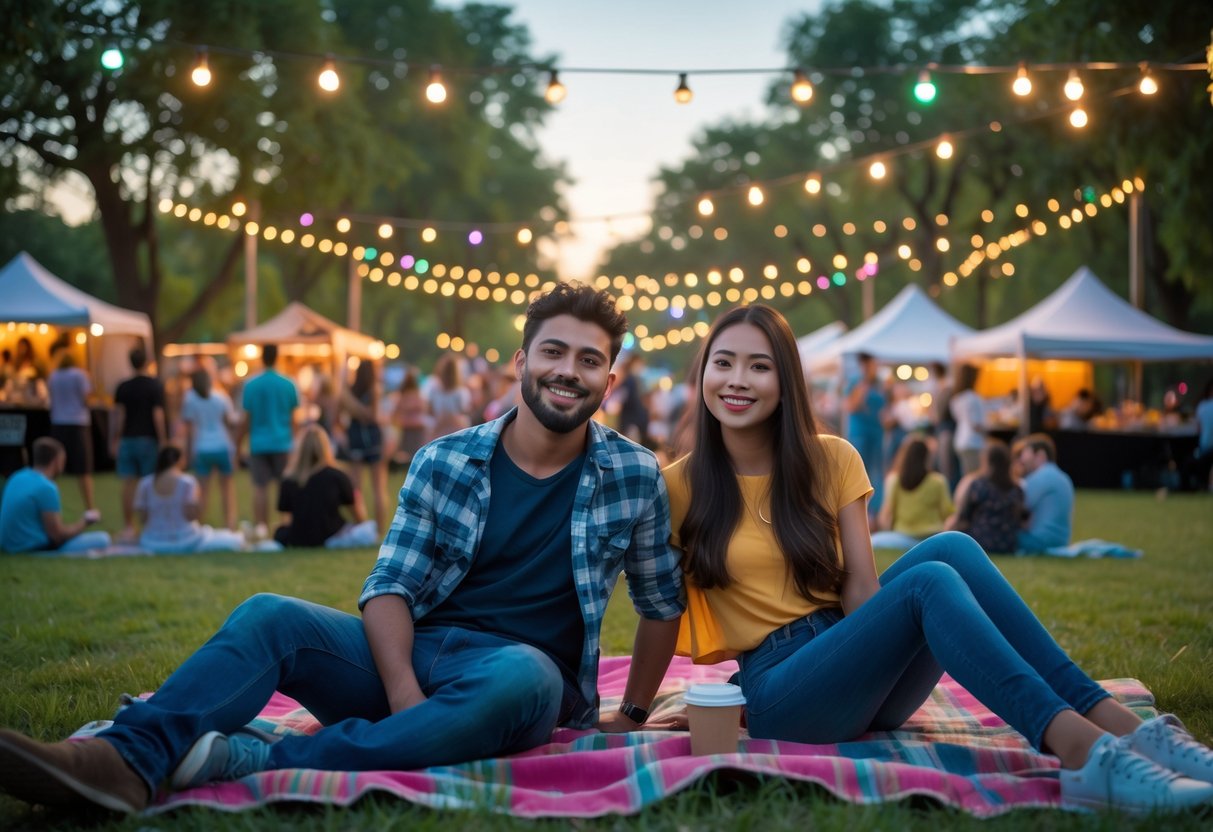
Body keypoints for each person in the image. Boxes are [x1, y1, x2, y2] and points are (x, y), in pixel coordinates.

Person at [0, 283, 684, 814]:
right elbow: (389, 587)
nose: (568, 372)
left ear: (609, 382)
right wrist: (405, 694)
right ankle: (123, 759)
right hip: (414, 656)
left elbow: (659, 601)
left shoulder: (632, 474)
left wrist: (628, 713)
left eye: (589, 360)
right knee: (270, 613)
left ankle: (252, 759)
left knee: (526, 674)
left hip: (519, 682)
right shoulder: (445, 460)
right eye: (554, 352)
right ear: (521, 362)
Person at [661, 303, 1213, 814]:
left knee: (952, 548)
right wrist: (634, 711)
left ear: (785, 382)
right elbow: (655, 608)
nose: (737, 379)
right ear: (702, 374)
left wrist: (871, 650)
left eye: (759, 366)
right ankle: (1083, 755)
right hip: (783, 694)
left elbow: (860, 590)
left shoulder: (830, 458)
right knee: (927, 581)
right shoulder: (677, 485)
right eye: (723, 363)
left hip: (849, 669)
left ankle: (1126, 730)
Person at [0, 437, 111, 553]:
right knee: (103, 538)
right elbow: (57, 537)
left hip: (8, 545)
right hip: (33, 548)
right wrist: (85, 521)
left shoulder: (17, 476)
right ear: (56, 461)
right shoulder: (46, 487)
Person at [273, 424, 373, 548]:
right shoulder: (337, 476)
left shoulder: (289, 479)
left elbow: (287, 519)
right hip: (331, 535)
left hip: (299, 538)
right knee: (369, 529)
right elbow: (357, 514)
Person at [133, 446, 245, 554]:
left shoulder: (145, 483)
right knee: (228, 537)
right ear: (179, 460)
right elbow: (190, 515)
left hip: (152, 541)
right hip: (186, 540)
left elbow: (143, 518)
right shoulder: (187, 482)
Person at [239, 344, 299, 536]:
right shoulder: (288, 384)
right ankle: (286, 524)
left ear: (262, 358)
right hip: (283, 441)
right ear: (277, 357)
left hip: (258, 443)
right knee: (285, 487)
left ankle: (261, 527)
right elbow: (293, 418)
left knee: (260, 487)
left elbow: (246, 419)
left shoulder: (251, 385)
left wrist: (239, 442)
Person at [111, 346, 167, 541]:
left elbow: (119, 416)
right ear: (147, 362)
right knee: (149, 484)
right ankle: (150, 525)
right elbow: (157, 415)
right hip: (147, 440)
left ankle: (129, 525)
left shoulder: (123, 387)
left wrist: (115, 438)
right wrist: (163, 440)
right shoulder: (154, 385)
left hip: (127, 439)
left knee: (128, 484)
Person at [870, 435, 953, 551]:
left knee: (872, 541)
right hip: (932, 536)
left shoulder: (894, 481)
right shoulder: (938, 481)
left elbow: (885, 516)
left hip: (903, 537)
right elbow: (947, 513)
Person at [180, 369, 240, 530]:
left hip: (201, 447)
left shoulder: (189, 400)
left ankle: (197, 525)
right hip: (222, 445)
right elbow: (230, 423)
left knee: (201, 491)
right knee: (227, 488)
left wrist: (187, 452)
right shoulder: (221, 398)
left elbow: (189, 431)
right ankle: (230, 524)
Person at [946, 439, 1025, 555]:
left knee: (953, 523)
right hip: (1008, 544)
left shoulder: (979, 485)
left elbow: (964, 516)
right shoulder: (1017, 489)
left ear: (986, 461)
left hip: (980, 542)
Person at [337, 360, 388, 532]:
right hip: (371, 439)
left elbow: (367, 416)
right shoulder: (373, 389)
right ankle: (371, 526)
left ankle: (366, 525)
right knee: (374, 487)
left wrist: (350, 402)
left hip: (358, 438)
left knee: (360, 487)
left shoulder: (351, 392)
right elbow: (372, 416)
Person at [1014, 433, 1075, 552]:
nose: (1022, 459)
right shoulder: (1063, 477)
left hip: (1039, 542)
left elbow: (1016, 507)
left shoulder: (1041, 476)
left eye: (1025, 453)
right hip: (1061, 542)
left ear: (1040, 455)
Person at [843, 352, 886, 517]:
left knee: (876, 473)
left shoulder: (879, 384)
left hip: (876, 432)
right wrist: (864, 386)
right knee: (860, 472)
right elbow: (851, 406)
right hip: (860, 433)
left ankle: (875, 512)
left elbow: (882, 408)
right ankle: (860, 512)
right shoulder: (857, 381)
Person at [950, 364, 986, 476]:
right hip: (972, 442)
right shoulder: (972, 398)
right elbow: (976, 425)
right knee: (973, 476)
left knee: (966, 474)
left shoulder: (957, 397)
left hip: (960, 439)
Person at [427, 352, 472, 441]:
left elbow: (429, 409)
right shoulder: (461, 392)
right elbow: (464, 411)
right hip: (455, 429)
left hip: (439, 428)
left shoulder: (433, 388)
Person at [390, 367, 429, 467]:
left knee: (406, 450)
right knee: (416, 449)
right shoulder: (418, 394)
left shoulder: (403, 395)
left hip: (406, 426)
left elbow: (396, 411)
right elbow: (424, 408)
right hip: (416, 425)